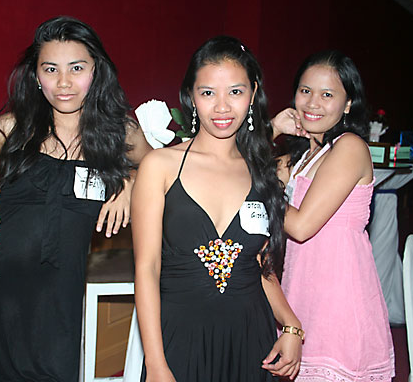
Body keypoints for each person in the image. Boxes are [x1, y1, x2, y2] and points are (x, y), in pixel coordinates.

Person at [0, 16, 151, 381]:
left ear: (96, 71)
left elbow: (163, 168)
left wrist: (131, 181)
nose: (63, 82)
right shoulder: (12, 128)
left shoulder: (120, 134)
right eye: (50, 69)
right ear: (36, 75)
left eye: (76, 68)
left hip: (59, 297)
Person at [132, 36, 303, 382]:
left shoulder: (262, 172)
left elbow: (260, 265)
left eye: (235, 92)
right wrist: (156, 363)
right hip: (180, 335)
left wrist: (291, 325)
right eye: (208, 92)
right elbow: (147, 269)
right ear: (191, 96)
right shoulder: (161, 166)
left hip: (250, 335)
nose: (222, 107)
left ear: (253, 94)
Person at [272, 50, 395, 381]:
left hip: (338, 293)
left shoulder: (350, 147)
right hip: (303, 286)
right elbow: (237, 166)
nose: (313, 103)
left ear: (348, 103)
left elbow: (301, 226)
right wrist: (273, 128)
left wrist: (268, 189)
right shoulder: (303, 156)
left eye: (327, 95)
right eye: (305, 91)